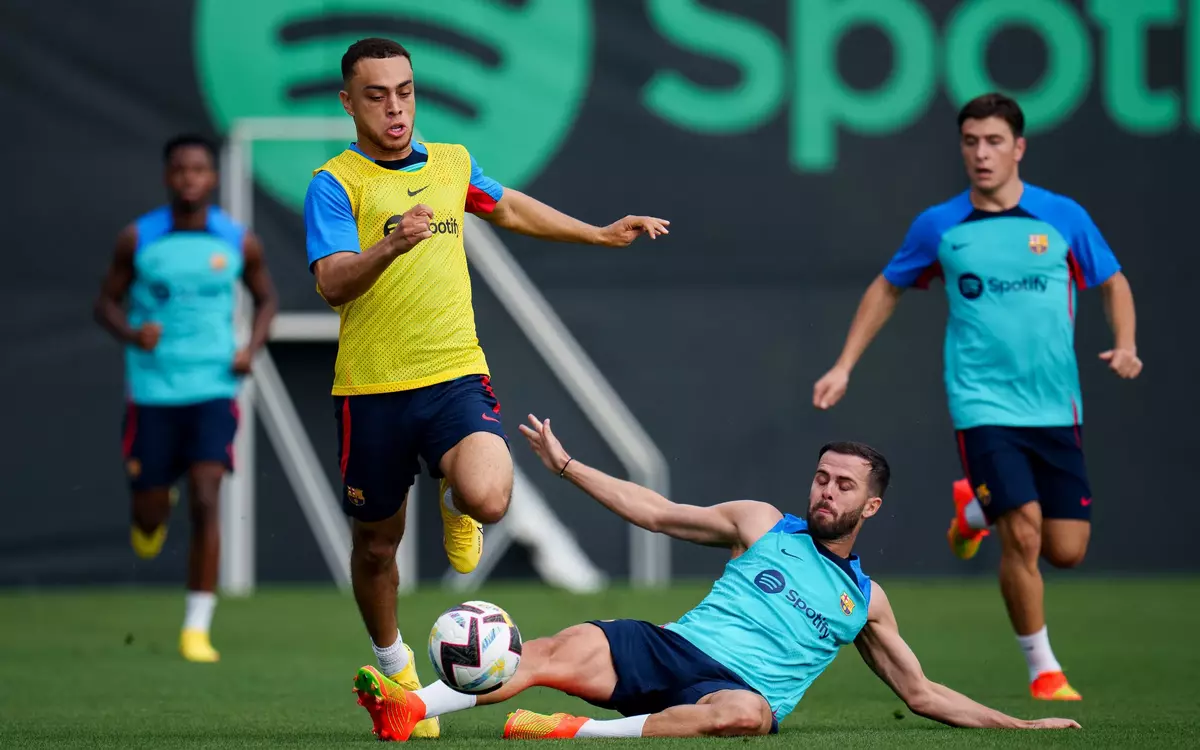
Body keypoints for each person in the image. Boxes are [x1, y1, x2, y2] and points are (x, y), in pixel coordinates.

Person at [303, 37, 669, 738]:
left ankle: (456, 500)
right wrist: (388, 244)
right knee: (377, 546)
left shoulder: (450, 164)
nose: (395, 107)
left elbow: (506, 207)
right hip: (371, 391)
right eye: (376, 95)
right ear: (349, 103)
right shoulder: (335, 182)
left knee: (489, 497)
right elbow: (330, 281)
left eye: (405, 91)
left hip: (453, 375)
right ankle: (396, 668)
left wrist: (597, 234)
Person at [347, 414, 1081, 740]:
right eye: (822, 478)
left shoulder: (867, 602)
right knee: (554, 648)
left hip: (735, 692)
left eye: (843, 487)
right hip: (674, 649)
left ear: (871, 504)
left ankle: (575, 733)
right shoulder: (761, 523)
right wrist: (568, 467)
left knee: (747, 719)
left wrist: (1019, 724)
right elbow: (660, 513)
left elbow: (920, 694)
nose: (825, 492)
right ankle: (413, 708)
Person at [812, 92, 1141, 700]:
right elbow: (888, 288)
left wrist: (1125, 343)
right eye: (970, 142)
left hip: (1056, 409)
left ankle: (971, 510)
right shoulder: (941, 225)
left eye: (993, 142)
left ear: (1018, 148)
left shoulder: (1061, 216)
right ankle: (1043, 668)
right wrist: (844, 365)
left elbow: (1113, 281)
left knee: (1066, 550)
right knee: (1025, 534)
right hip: (983, 407)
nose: (981, 154)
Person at [94, 134, 278, 662]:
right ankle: (149, 513)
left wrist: (251, 346)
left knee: (206, 496)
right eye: (179, 170)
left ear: (212, 177)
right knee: (152, 513)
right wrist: (132, 334)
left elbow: (267, 300)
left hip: (214, 388)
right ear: (167, 176)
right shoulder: (139, 239)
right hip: (153, 391)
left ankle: (196, 628)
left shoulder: (238, 241)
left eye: (198, 169)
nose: (189, 179)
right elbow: (104, 303)